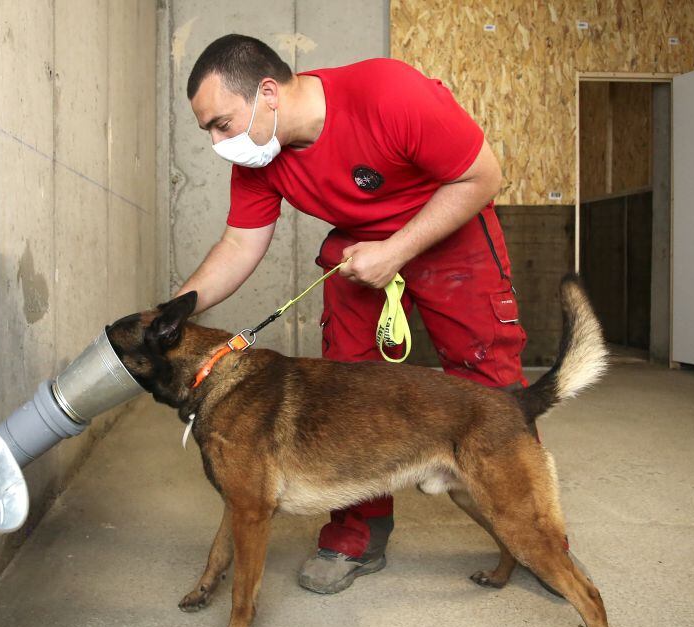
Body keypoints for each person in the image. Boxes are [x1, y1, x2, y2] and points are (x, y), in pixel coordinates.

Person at [176, 35, 530, 595]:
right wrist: (177, 309)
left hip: (451, 230)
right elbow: (240, 245)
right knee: (344, 394)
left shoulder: (388, 94)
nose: (219, 143)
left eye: (221, 124)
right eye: (210, 132)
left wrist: (397, 250)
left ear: (268, 92)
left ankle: (532, 528)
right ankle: (360, 530)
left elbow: (483, 177)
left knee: (491, 392)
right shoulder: (261, 159)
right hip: (359, 252)